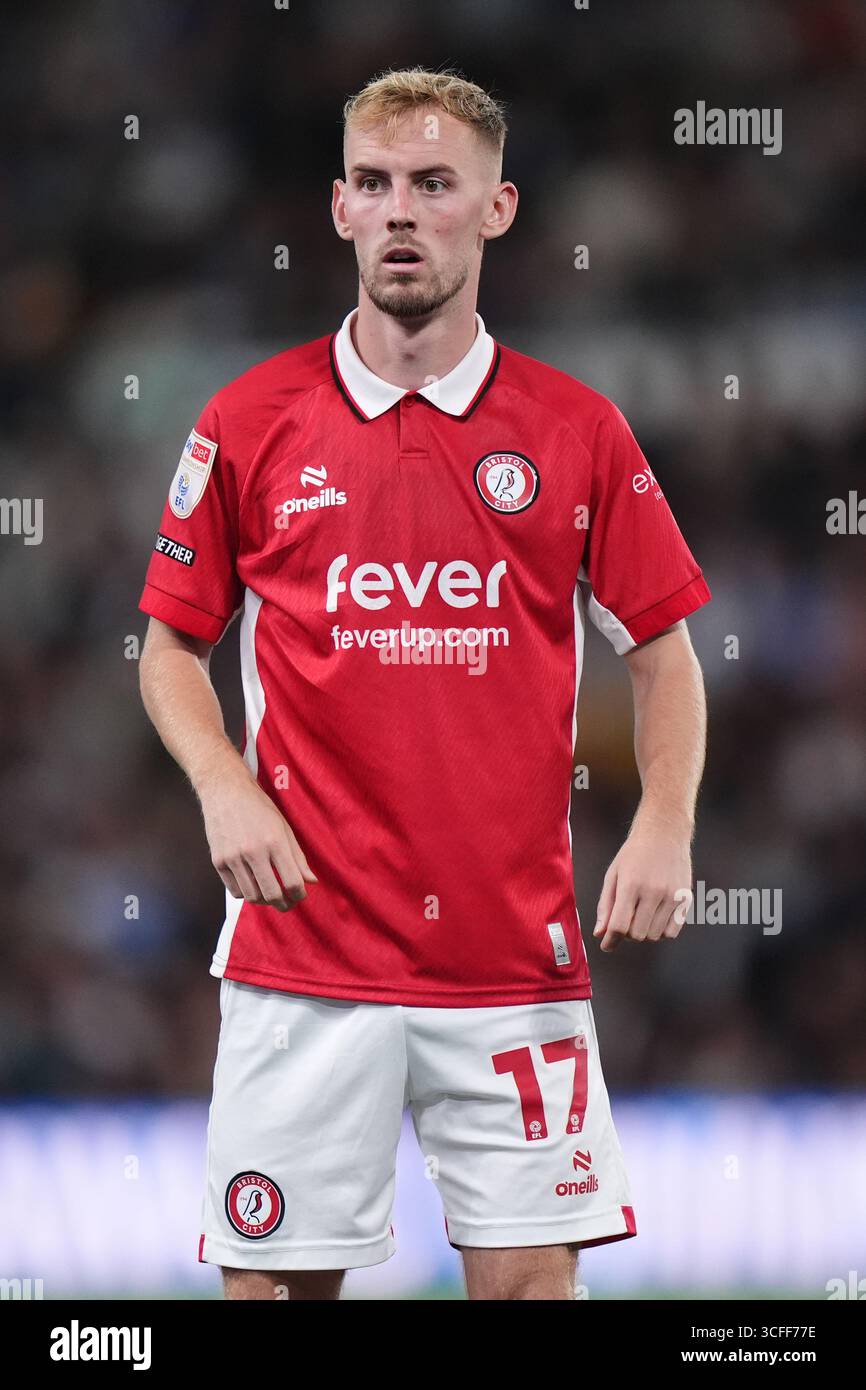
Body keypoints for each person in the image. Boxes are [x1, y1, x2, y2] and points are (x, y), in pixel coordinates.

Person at [138, 66, 710, 1302]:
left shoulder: (576, 430)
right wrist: (224, 788)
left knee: (526, 1292)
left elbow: (662, 652)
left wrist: (664, 823)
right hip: (301, 955)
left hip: (510, 961)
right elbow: (167, 646)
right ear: (338, 207)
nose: (401, 211)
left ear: (494, 208)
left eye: (433, 185)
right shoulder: (249, 419)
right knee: (272, 1296)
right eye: (375, 183)